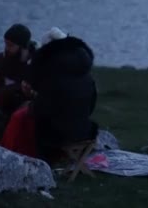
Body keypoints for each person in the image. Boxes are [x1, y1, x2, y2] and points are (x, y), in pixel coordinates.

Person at [28, 27, 99, 163]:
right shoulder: (85, 71)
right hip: (84, 130)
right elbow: (91, 105)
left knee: (30, 120)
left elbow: (42, 109)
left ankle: (42, 165)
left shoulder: (50, 74)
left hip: (58, 134)